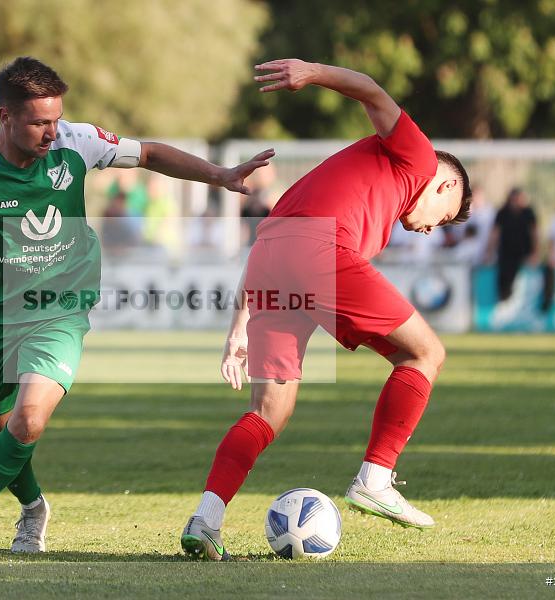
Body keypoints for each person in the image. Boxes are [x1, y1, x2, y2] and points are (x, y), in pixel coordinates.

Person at [0, 56, 273, 560]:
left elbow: (149, 154)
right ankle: (34, 508)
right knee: (2, 432)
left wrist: (220, 174)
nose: (51, 133)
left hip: (61, 305)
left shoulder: (77, 141)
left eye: (55, 119)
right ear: (5, 117)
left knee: (29, 420)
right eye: (38, 122)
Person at [178, 58, 471, 561]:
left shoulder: (351, 186)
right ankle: (375, 478)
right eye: (440, 219)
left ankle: (206, 520)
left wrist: (238, 327)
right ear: (444, 185)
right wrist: (311, 72)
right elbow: (374, 93)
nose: (427, 230)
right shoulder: (418, 160)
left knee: (270, 411)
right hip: (319, 252)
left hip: (271, 255)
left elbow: (274, 241)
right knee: (426, 353)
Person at [486, 188, 538, 301]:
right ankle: (504, 297)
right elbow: (495, 233)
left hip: (524, 252)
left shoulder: (528, 213)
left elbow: (534, 233)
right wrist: (489, 251)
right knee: (504, 276)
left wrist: (535, 252)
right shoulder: (502, 213)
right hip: (506, 252)